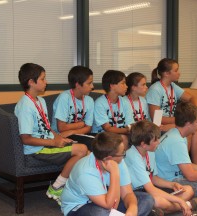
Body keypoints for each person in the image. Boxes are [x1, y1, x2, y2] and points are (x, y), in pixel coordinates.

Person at [14, 63, 88, 204]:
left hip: (48, 144)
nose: (46, 82)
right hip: (38, 149)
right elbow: (26, 139)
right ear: (31, 82)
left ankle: (71, 188)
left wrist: (59, 138)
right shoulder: (25, 106)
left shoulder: (40, 101)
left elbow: (47, 128)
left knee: (85, 148)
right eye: (42, 79)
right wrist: (53, 142)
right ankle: (56, 187)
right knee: (82, 150)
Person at [125, 120, 197, 216]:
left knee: (188, 190)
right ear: (143, 144)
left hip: (148, 190)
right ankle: (190, 204)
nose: (158, 142)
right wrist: (179, 200)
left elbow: (153, 178)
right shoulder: (133, 156)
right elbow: (150, 189)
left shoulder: (150, 151)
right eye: (155, 140)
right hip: (134, 195)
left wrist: (172, 184)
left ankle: (165, 210)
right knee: (156, 201)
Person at [61, 132, 155, 216]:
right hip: (79, 207)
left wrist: (132, 208)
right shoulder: (85, 172)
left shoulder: (118, 160)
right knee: (101, 213)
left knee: (147, 199)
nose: (124, 155)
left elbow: (127, 193)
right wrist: (115, 172)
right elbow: (110, 205)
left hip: (107, 200)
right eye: (122, 153)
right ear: (109, 158)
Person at [145, 58, 197, 165]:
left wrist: (196, 114)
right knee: (188, 130)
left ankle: (196, 167)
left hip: (174, 123)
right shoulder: (155, 89)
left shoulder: (172, 87)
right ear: (167, 73)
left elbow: (192, 98)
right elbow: (156, 119)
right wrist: (181, 119)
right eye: (176, 70)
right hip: (158, 126)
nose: (179, 73)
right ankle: (184, 166)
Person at [51, 65, 95, 151]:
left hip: (76, 133)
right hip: (60, 136)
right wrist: (81, 124)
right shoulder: (64, 98)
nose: (92, 86)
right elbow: (61, 128)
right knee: (94, 143)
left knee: (106, 140)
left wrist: (72, 131)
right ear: (78, 85)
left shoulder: (89, 100)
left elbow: (88, 127)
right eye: (89, 83)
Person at [92, 70, 134, 148]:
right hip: (102, 136)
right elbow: (107, 128)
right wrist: (127, 130)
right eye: (123, 83)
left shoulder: (124, 102)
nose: (126, 86)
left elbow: (130, 124)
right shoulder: (100, 103)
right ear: (112, 86)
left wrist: (129, 129)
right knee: (123, 138)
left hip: (121, 133)